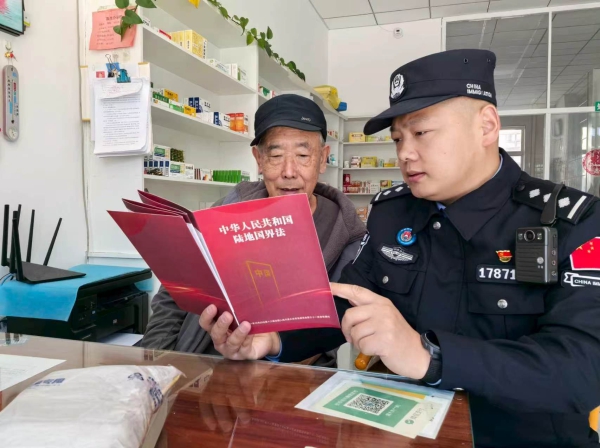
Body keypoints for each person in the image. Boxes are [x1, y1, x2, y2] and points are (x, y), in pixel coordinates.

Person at [199, 50, 600, 447]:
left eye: (421, 133)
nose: (405, 153)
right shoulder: (393, 213)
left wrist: (429, 356)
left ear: (486, 126)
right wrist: (272, 341)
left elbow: (584, 367)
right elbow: (345, 303)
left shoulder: (573, 223)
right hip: (405, 431)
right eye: (397, 138)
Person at [141, 94, 366, 360]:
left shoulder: (346, 233)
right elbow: (175, 292)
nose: (289, 171)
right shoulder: (228, 210)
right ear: (259, 160)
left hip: (287, 373)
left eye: (303, 155)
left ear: (322, 159)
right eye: (276, 155)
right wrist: (157, 358)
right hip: (198, 361)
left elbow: (333, 331)